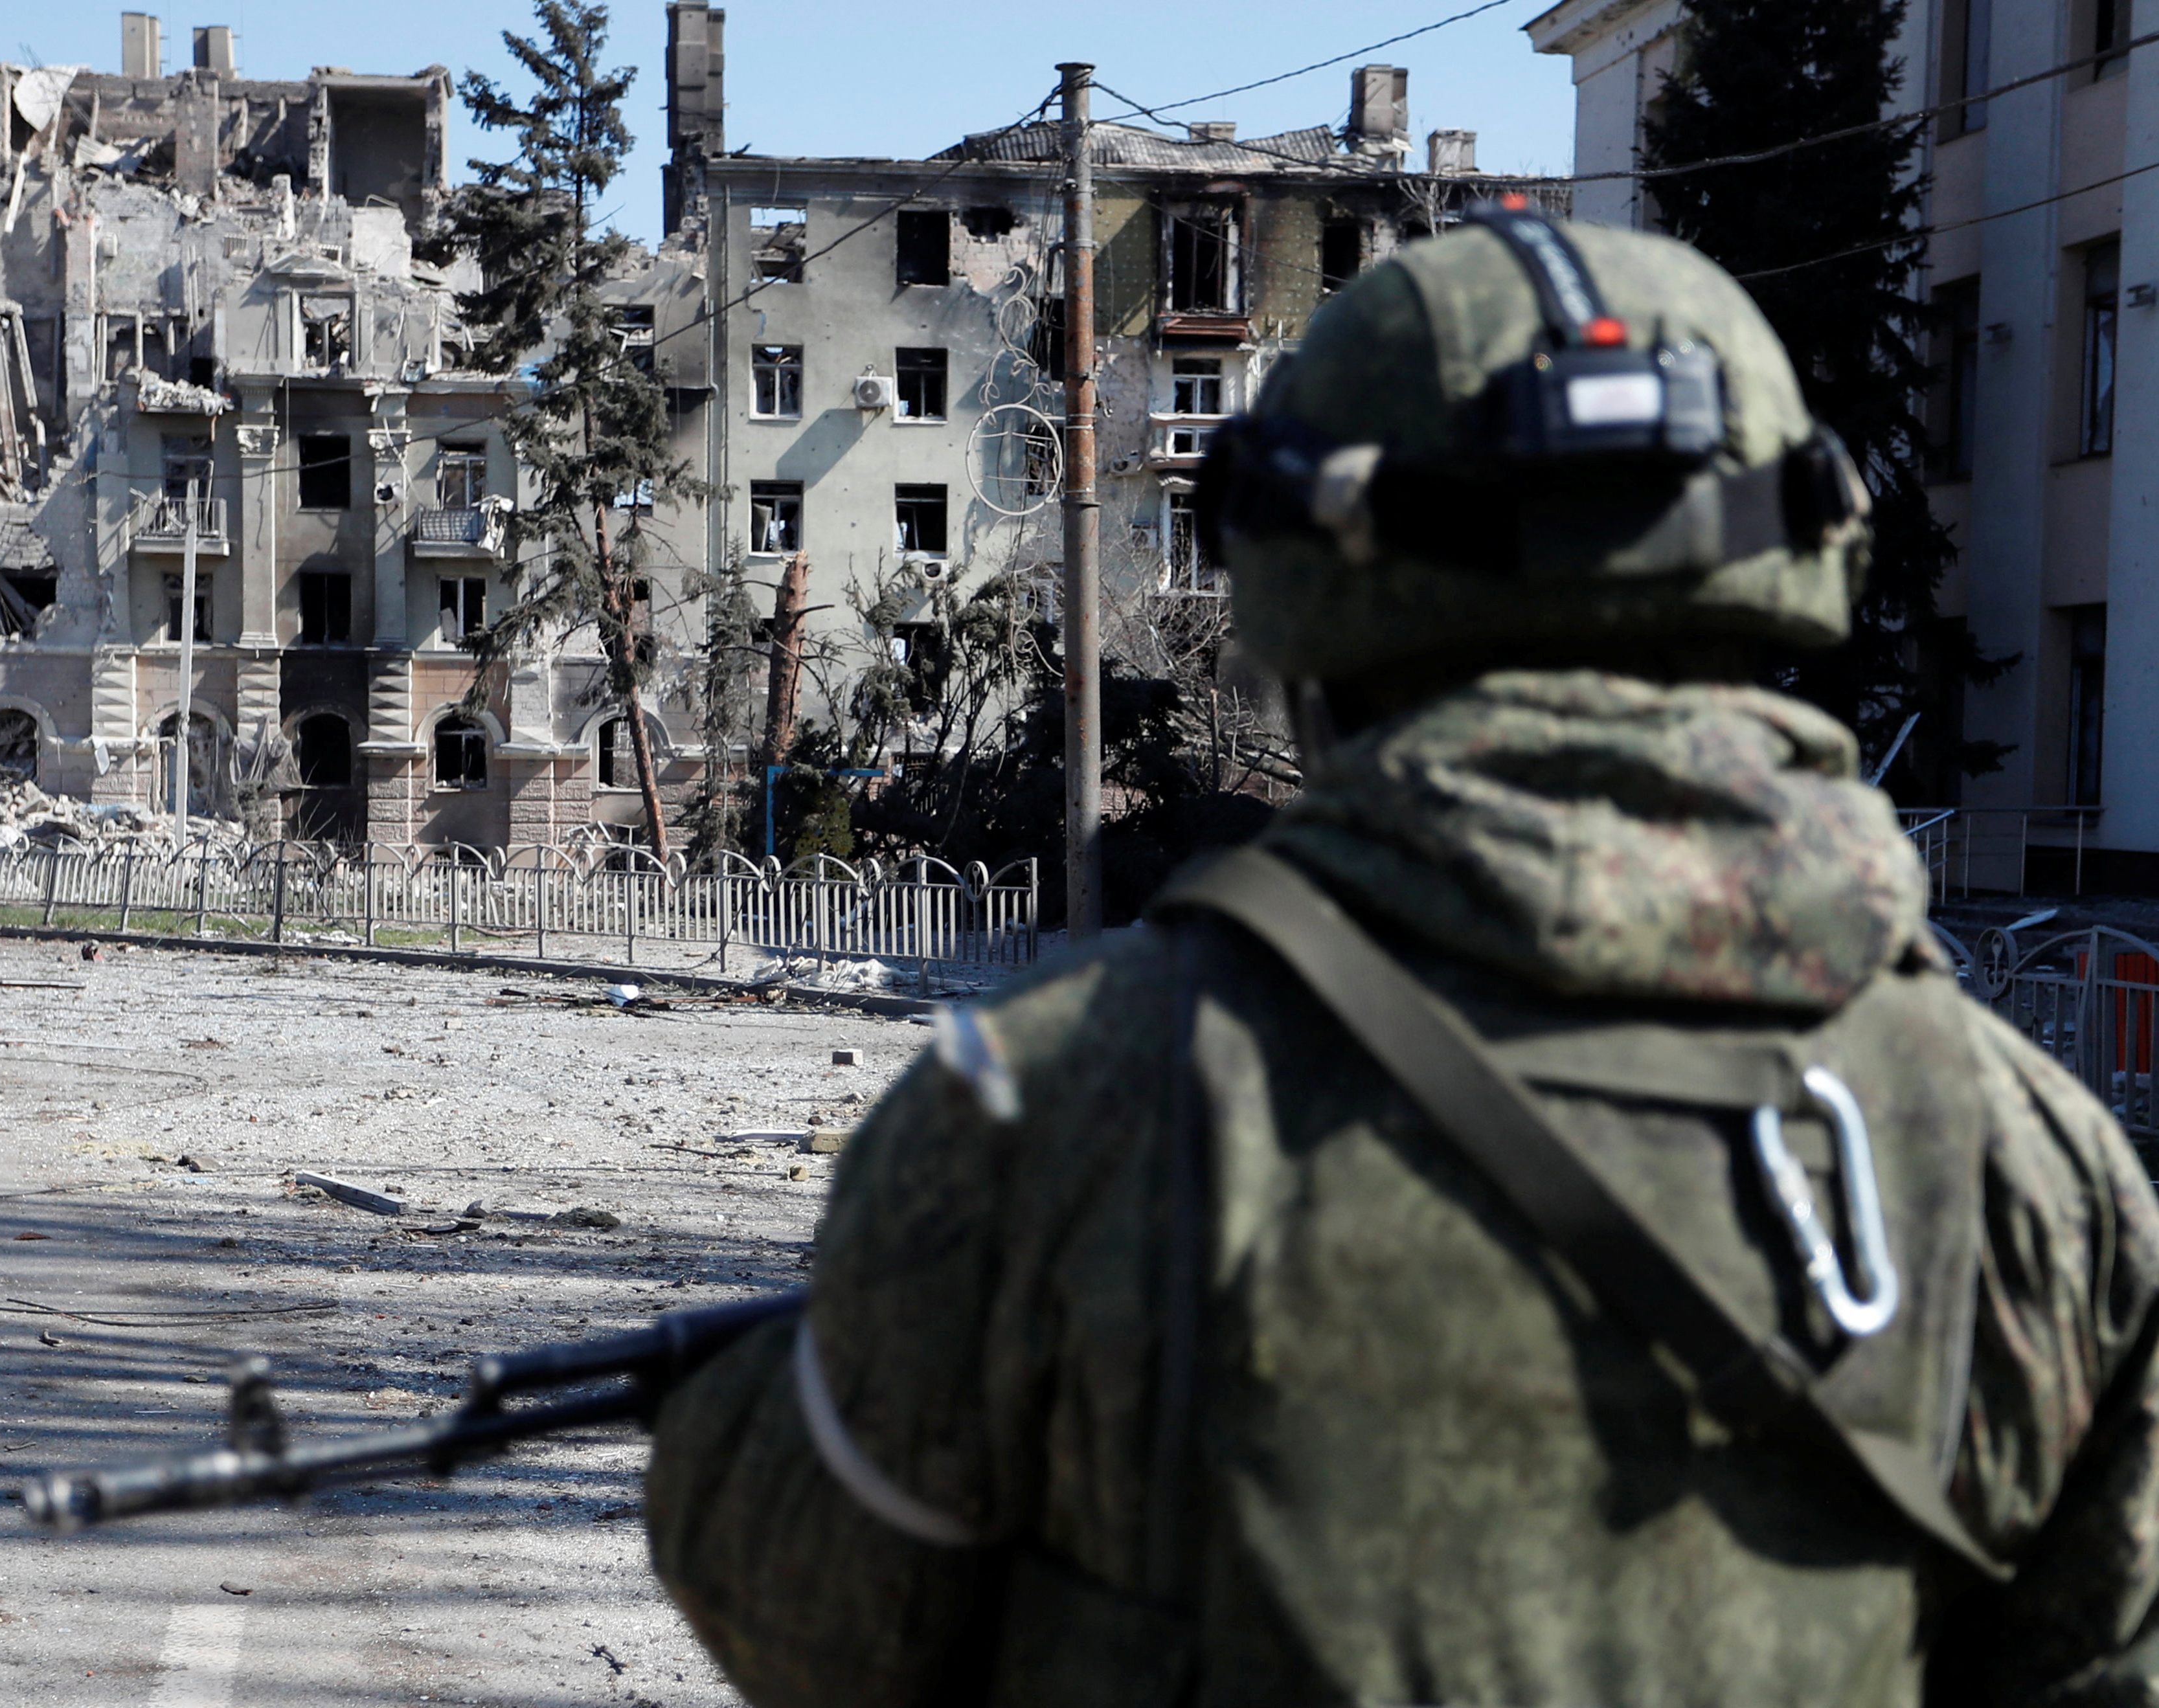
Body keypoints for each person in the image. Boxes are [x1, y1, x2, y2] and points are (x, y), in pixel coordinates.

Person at [644, 206, 2159, 1707]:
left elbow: (815, 1616)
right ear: (1791, 562)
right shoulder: (2035, 1164)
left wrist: (789, 1391)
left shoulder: (1053, 1108)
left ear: (1308, 588)